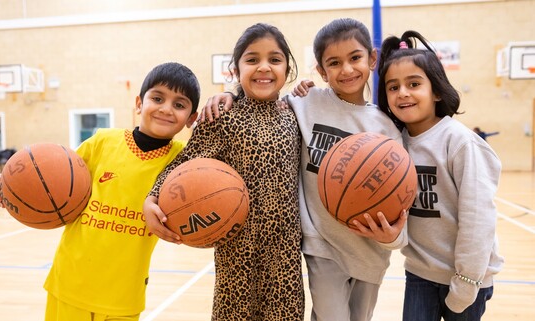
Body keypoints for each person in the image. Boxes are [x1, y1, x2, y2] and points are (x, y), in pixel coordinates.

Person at [198, 18, 408, 321]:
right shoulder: (305, 103)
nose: (346, 70)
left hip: (370, 251)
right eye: (334, 62)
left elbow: (400, 198)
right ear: (321, 70)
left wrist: (393, 238)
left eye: (355, 58)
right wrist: (229, 96)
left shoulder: (386, 127)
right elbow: (263, 103)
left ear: (372, 59)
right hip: (321, 245)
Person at [0, 62, 201, 321]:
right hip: (69, 283)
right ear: (139, 103)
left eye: (179, 105)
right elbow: (51, 182)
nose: (166, 109)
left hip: (123, 294)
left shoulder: (184, 161)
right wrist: (15, 189)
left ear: (192, 119)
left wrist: (228, 97)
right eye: (157, 98)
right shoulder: (102, 142)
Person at [143, 23, 304, 320]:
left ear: (288, 67)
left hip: (285, 255)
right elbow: (185, 163)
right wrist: (153, 197)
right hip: (236, 252)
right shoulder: (222, 117)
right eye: (252, 59)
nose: (263, 67)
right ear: (235, 69)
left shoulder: (294, 115)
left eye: (275, 59)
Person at [377, 30, 504, 321]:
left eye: (414, 84)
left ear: (436, 90)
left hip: (466, 278)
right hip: (420, 272)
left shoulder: (459, 142)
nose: (403, 93)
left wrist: (466, 283)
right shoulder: (393, 145)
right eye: (393, 87)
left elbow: (478, 219)